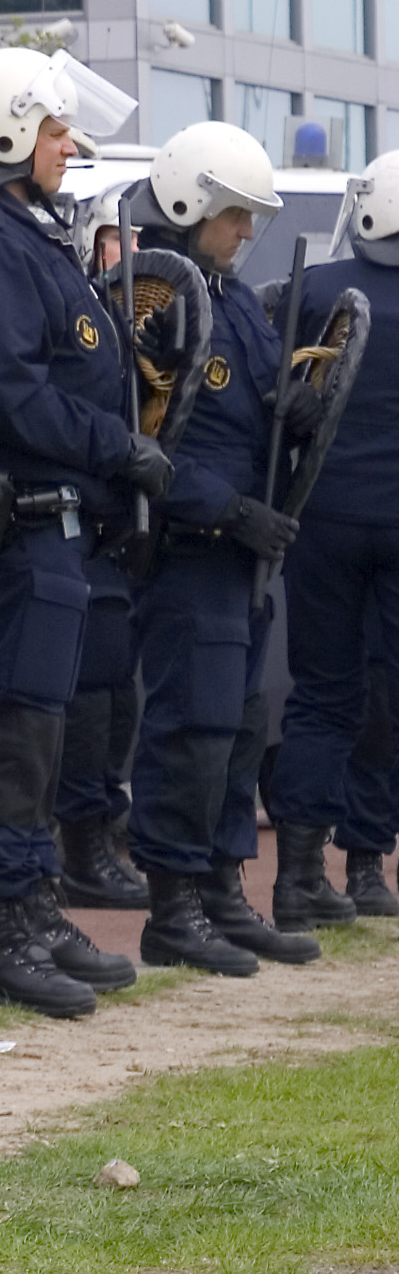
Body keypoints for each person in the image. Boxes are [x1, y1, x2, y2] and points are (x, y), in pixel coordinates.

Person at [0, 47, 163, 1017]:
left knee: (39, 723)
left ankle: (33, 902)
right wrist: (115, 446)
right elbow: (9, 387)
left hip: (51, 518)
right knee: (12, 719)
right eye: (55, 129)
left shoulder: (11, 224)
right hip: (15, 512)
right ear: (8, 131)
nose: (70, 145)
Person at [115, 125, 323, 976]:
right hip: (193, 545)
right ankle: (174, 904)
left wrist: (298, 404)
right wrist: (229, 509)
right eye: (233, 214)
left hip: (243, 551)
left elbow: (262, 394)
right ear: (188, 204)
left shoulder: (231, 295)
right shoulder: (150, 298)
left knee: (238, 727)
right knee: (190, 730)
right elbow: (145, 434)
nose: (245, 231)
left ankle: (223, 888)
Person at [276, 149, 399, 925]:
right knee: (388, 692)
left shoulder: (317, 289)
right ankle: (367, 864)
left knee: (320, 693)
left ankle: (297, 870)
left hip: (320, 519)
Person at [57, 215, 152, 912]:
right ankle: (83, 848)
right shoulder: (78, 320)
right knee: (89, 692)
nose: (130, 253)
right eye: (117, 241)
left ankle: (104, 830)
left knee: (117, 690)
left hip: (124, 527)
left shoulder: (139, 323)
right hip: (79, 519)